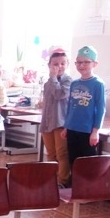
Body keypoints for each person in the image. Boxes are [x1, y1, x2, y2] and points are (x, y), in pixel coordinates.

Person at [62, 45, 106, 167]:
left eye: (86, 62)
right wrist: (66, 127)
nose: (82, 65)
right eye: (79, 62)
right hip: (72, 129)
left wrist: (95, 131)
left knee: (87, 164)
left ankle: (87, 181)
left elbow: (101, 109)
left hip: (87, 130)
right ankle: (74, 180)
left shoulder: (98, 84)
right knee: (73, 161)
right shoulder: (74, 83)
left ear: (94, 64)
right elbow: (70, 106)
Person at [39, 47, 72, 188]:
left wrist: (53, 78)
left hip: (61, 122)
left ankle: (62, 181)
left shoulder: (68, 81)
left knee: (62, 153)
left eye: (62, 63)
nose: (59, 67)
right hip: (47, 122)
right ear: (49, 65)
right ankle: (52, 180)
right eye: (55, 64)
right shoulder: (48, 83)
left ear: (67, 64)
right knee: (51, 153)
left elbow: (60, 95)